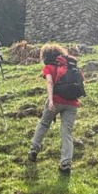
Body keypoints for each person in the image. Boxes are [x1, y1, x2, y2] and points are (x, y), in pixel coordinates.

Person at [27, 43, 80, 174]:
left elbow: (50, 82)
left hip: (55, 101)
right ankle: (66, 163)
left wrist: (50, 100)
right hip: (72, 103)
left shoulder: (49, 67)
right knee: (66, 132)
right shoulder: (69, 66)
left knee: (44, 124)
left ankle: (34, 150)